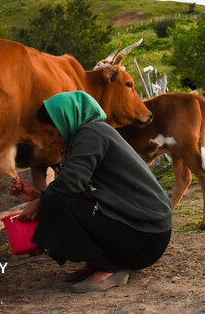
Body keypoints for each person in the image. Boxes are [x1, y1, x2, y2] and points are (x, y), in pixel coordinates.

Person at [10, 90, 172, 293]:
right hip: (145, 232)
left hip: (146, 238)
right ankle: (101, 262)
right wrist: (37, 196)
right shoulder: (89, 136)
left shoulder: (91, 134)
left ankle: (109, 268)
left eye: (51, 133)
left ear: (66, 121)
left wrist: (43, 202)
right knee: (56, 200)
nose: (50, 140)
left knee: (55, 202)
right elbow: (75, 189)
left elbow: (70, 185)